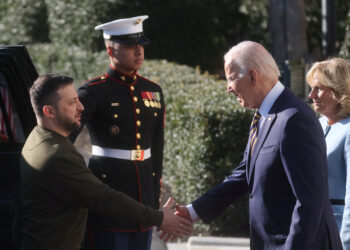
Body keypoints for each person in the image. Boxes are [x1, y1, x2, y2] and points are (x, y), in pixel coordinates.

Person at [174, 41, 342, 249]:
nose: (228, 88)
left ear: (253, 76)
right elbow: (246, 174)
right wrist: (193, 212)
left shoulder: (293, 119)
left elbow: (309, 202)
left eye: (231, 79)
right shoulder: (266, 115)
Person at [20, 74, 192, 250]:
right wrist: (159, 218)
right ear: (49, 111)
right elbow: (105, 198)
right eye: (72, 103)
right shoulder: (56, 156)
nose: (80, 107)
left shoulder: (37, 137)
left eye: (78, 100)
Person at [72, 15, 165, 250]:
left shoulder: (152, 90)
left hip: (143, 194)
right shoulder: (93, 91)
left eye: (140, 45)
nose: (138, 52)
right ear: (111, 51)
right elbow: (64, 139)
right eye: (130, 46)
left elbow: (157, 147)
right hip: (108, 194)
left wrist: (153, 198)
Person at [307, 57, 350, 249]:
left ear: (338, 90)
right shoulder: (319, 124)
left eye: (319, 88)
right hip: (314, 231)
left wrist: (346, 242)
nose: (311, 95)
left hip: (337, 232)